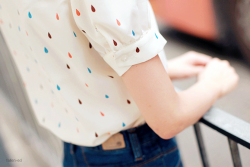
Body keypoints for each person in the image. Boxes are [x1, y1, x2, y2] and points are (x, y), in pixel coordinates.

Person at [0, 0, 238, 166]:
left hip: (75, 153)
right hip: (134, 154)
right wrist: (214, 83)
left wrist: (159, 71)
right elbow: (168, 118)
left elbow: (64, 54)